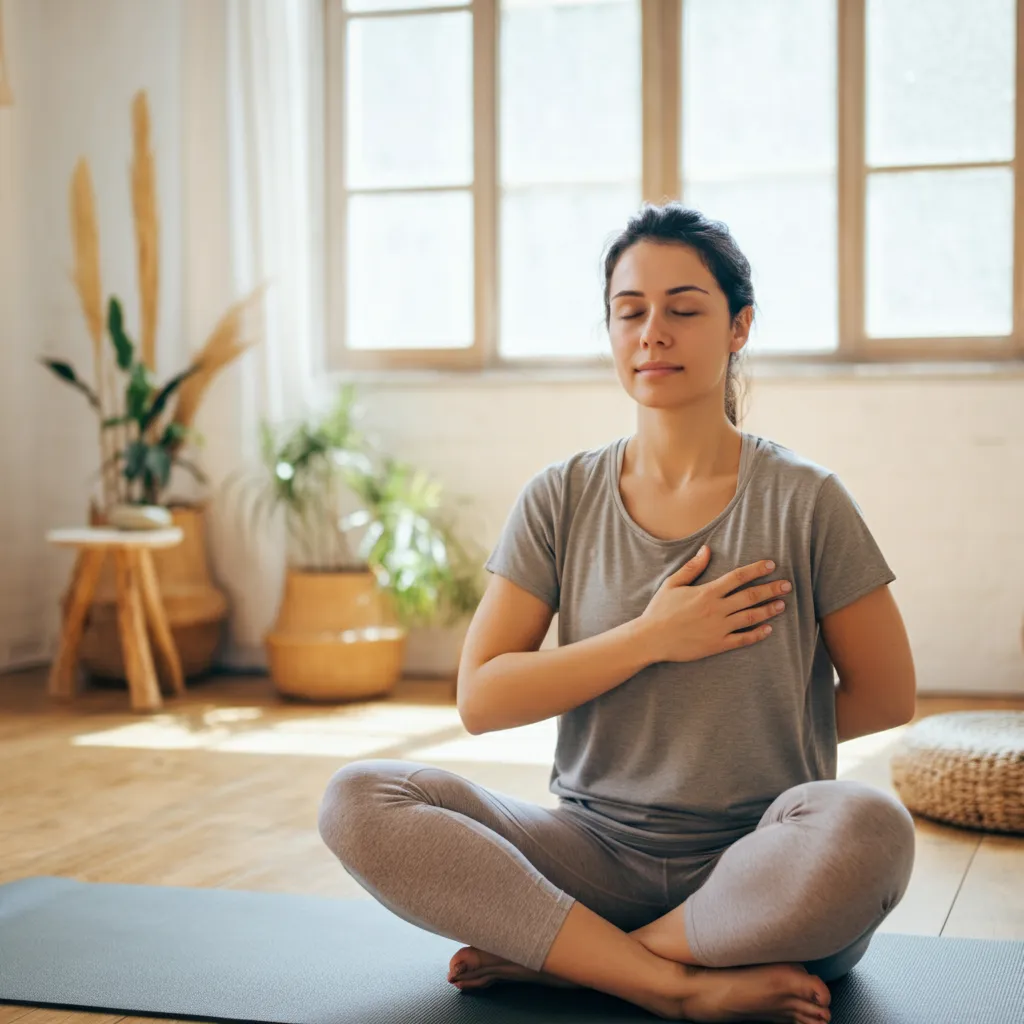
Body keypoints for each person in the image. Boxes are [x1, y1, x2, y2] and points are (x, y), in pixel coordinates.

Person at [317, 202, 917, 1023]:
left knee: (871, 825)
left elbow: (889, 696)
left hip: (763, 865)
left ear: (739, 327)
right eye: (630, 311)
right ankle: (667, 982)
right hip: (591, 856)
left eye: (684, 308)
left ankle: (580, 961)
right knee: (360, 796)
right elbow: (482, 699)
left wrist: (743, 732)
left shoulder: (806, 499)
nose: (653, 333)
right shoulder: (559, 497)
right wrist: (652, 639)